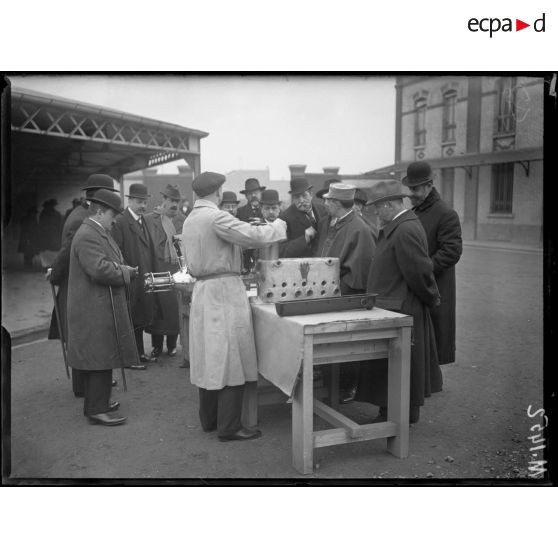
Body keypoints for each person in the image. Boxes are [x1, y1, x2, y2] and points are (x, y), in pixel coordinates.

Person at [181, 171, 287, 442]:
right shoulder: (215, 216)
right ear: (217, 193)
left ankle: (210, 420)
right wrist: (279, 226)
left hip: (204, 290)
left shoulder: (191, 218)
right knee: (230, 357)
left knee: (209, 356)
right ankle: (229, 427)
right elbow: (252, 236)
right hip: (223, 291)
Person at [356, 180, 442, 424]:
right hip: (394, 306)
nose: (375, 212)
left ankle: (401, 416)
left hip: (403, 308)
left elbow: (420, 273)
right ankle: (393, 413)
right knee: (394, 366)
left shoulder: (405, 230)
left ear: (392, 204)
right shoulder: (399, 226)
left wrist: (429, 299)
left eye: (379, 207)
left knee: (403, 366)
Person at [66, 189, 139, 426]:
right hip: (92, 308)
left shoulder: (97, 231)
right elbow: (99, 269)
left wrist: (121, 267)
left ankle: (99, 402)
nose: (114, 219)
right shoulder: (88, 234)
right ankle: (96, 409)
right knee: (98, 358)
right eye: (112, 214)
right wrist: (125, 273)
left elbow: (109, 260)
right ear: (99, 212)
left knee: (102, 356)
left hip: (98, 305)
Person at [49, 174, 121, 396]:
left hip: (78, 280)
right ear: (98, 197)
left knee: (80, 338)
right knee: (83, 337)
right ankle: (84, 388)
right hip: (79, 284)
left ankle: (86, 386)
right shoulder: (83, 220)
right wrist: (54, 274)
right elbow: (67, 253)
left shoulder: (79, 213)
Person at [316, 182, 376, 403]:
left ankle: (346, 387)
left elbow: (358, 275)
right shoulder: (335, 223)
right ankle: (333, 386)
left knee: (347, 347)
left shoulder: (358, 228)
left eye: (328, 200)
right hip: (328, 295)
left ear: (336, 204)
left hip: (344, 299)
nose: (324, 204)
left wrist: (334, 293)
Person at [403, 161, 463, 365]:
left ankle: (431, 382)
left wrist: (424, 269)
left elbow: (451, 251)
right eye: (409, 188)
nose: (411, 194)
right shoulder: (416, 211)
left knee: (435, 334)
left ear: (429, 185)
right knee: (421, 336)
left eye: (415, 188)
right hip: (419, 284)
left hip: (436, 286)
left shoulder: (446, 213)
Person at [111, 183, 157, 370]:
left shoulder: (142, 219)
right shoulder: (121, 221)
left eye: (145, 202)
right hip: (130, 279)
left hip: (142, 279)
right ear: (129, 201)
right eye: (139, 202)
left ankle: (138, 353)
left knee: (138, 318)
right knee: (130, 319)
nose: (143, 206)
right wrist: (125, 271)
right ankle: (131, 358)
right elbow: (116, 250)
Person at [144, 184, 181, 358]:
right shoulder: (150, 219)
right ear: (164, 200)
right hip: (157, 268)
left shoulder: (182, 219)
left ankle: (172, 345)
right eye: (171, 200)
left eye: (176, 201)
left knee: (173, 309)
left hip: (175, 271)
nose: (174, 204)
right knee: (157, 309)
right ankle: (157, 346)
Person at [279, 177, 327, 258]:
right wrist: (305, 239)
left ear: (311, 195)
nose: (301, 200)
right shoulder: (285, 218)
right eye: (297, 197)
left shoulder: (324, 211)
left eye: (304, 195)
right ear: (293, 199)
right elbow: (281, 251)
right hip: (301, 267)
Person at [38, 198, 63, 270]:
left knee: (53, 250)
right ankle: (49, 266)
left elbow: (59, 225)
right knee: (47, 250)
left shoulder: (55, 214)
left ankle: (52, 266)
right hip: (47, 236)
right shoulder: (44, 213)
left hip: (52, 235)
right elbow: (41, 225)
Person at [258, 189, 282, 260]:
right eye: (267, 208)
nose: (271, 212)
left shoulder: (286, 226)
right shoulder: (255, 228)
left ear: (279, 208)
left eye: (274, 208)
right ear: (261, 209)